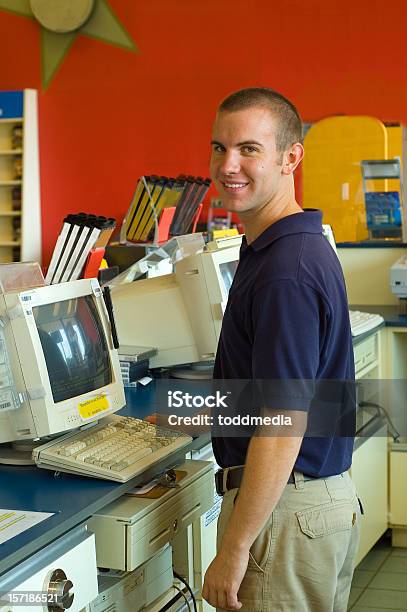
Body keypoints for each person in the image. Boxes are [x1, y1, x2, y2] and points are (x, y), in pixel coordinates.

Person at [201, 88, 361, 612]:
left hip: (283, 513)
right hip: (309, 504)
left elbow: (281, 422)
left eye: (249, 148)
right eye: (219, 147)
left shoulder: (285, 272)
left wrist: (234, 548)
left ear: (291, 157)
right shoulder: (285, 245)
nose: (229, 165)